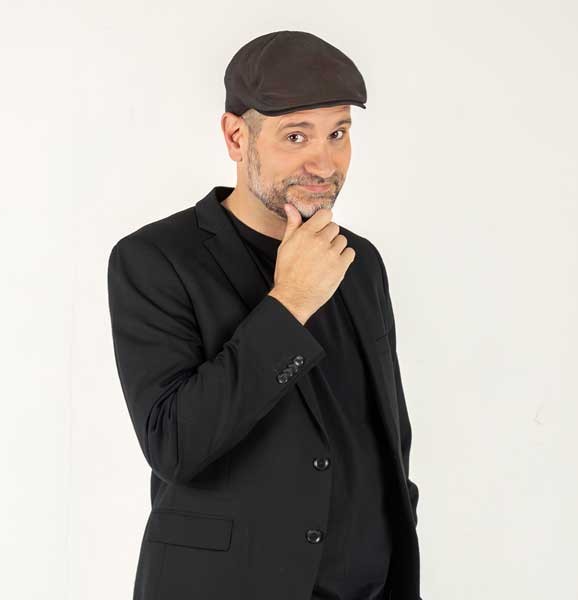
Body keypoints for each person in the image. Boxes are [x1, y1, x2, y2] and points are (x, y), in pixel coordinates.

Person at [107, 30, 422, 600]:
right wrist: (291, 302)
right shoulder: (155, 260)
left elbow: (387, 435)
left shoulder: (359, 261)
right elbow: (175, 445)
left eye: (338, 133)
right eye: (296, 136)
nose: (323, 161)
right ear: (236, 137)